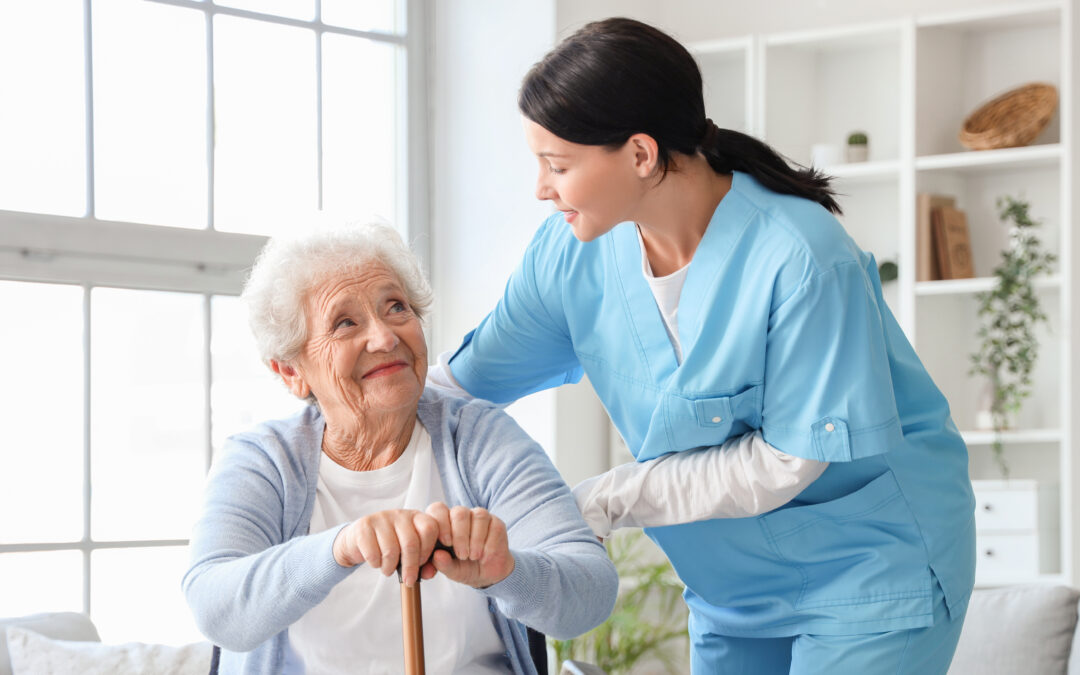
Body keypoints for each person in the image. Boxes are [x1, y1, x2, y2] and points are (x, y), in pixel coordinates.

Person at [428, 16, 976, 675]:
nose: (541, 188)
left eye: (558, 164)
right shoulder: (568, 255)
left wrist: (599, 501)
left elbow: (786, 461)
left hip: (869, 570)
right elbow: (454, 389)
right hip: (729, 588)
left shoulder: (800, 258)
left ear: (639, 154)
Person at [182, 224, 618, 675]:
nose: (385, 337)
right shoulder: (263, 460)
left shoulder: (484, 438)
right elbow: (216, 609)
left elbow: (590, 596)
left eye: (396, 307)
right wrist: (342, 547)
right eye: (345, 322)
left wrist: (506, 571)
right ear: (292, 371)